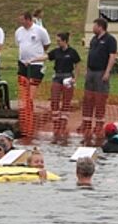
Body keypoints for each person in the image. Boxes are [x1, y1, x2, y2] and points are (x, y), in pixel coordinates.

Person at [80, 17, 117, 145]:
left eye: (94, 25)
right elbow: (90, 54)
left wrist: (107, 72)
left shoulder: (110, 40)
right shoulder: (94, 39)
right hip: (91, 72)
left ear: (100, 26)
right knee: (88, 99)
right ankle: (87, 125)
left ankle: (99, 126)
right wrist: (87, 69)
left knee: (100, 99)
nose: (92, 28)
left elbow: (112, 56)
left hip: (101, 72)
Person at [15, 10, 50, 138]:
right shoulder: (19, 31)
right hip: (23, 63)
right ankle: (25, 112)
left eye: (22, 20)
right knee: (23, 89)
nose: (21, 22)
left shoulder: (39, 30)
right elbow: (19, 44)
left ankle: (30, 113)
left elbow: (47, 45)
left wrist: (37, 55)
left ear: (28, 19)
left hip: (36, 64)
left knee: (32, 89)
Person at [47, 32, 81, 141]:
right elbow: (47, 56)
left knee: (66, 101)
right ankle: (56, 123)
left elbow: (77, 64)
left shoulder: (72, 52)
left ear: (65, 41)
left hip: (68, 77)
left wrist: (75, 77)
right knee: (55, 100)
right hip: (57, 76)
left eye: (59, 41)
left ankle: (63, 123)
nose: (57, 43)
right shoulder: (56, 51)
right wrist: (33, 60)